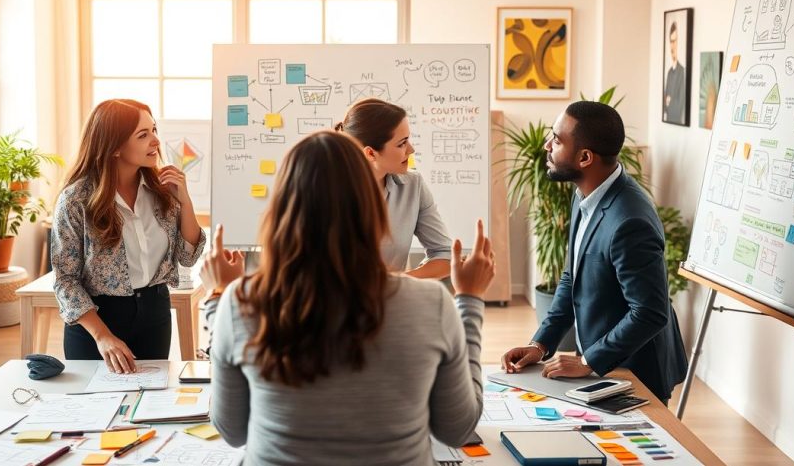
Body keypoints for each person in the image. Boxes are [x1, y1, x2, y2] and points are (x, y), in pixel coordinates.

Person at [205, 131, 495, 465]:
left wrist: (217, 298)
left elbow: (232, 431)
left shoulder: (240, 302)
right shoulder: (431, 304)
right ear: (372, 205)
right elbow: (456, 429)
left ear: (282, 208)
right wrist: (470, 299)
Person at [501, 101, 687, 403]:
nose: (547, 145)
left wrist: (588, 361)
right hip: (601, 364)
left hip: (634, 371)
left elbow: (650, 312)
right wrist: (540, 345)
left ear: (585, 157)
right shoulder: (584, 194)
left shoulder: (630, 220)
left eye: (557, 140)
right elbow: (569, 278)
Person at [52, 99, 207, 373]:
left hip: (155, 315)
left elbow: (188, 255)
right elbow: (65, 279)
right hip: (96, 323)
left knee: (150, 406)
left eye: (155, 130)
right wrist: (103, 337)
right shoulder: (75, 200)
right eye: (143, 134)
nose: (156, 142)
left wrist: (185, 201)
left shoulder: (162, 190)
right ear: (114, 146)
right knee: (96, 408)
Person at [336, 98, 452, 279]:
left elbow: (445, 256)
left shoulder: (414, 186)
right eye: (402, 143)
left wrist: (397, 284)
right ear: (370, 153)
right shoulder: (327, 189)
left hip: (391, 302)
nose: (411, 150)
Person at [664, 21, 687, 125]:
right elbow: (665, 102)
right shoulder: (669, 72)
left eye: (674, 41)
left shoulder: (682, 71)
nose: (672, 45)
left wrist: (669, 101)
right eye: (671, 41)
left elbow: (680, 103)